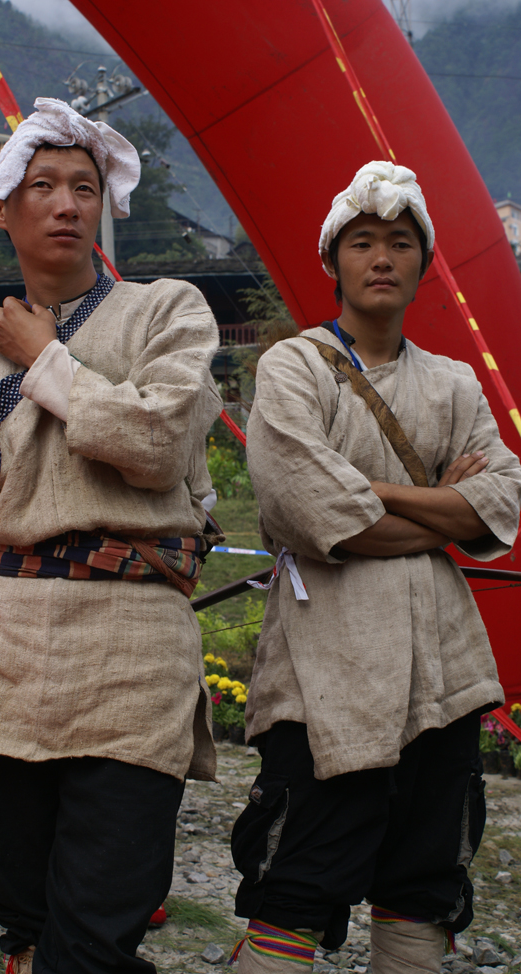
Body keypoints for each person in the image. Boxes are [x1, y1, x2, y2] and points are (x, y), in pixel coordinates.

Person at [0, 97, 222, 974]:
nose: (68, 204)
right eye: (44, 186)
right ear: (1, 208)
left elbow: (160, 443)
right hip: (2, 663)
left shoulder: (165, 313)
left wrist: (45, 358)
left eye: (85, 187)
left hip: (131, 657)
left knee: (94, 934)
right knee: (27, 925)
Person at [230, 161, 521, 974]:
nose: (382, 257)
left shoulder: (453, 383)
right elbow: (305, 506)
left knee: (423, 889)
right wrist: (441, 508)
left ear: (423, 263)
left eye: (400, 241)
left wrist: (371, 495)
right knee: (295, 883)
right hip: (326, 671)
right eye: (363, 242)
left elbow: (502, 499)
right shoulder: (293, 367)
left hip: (443, 671)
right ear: (334, 260)